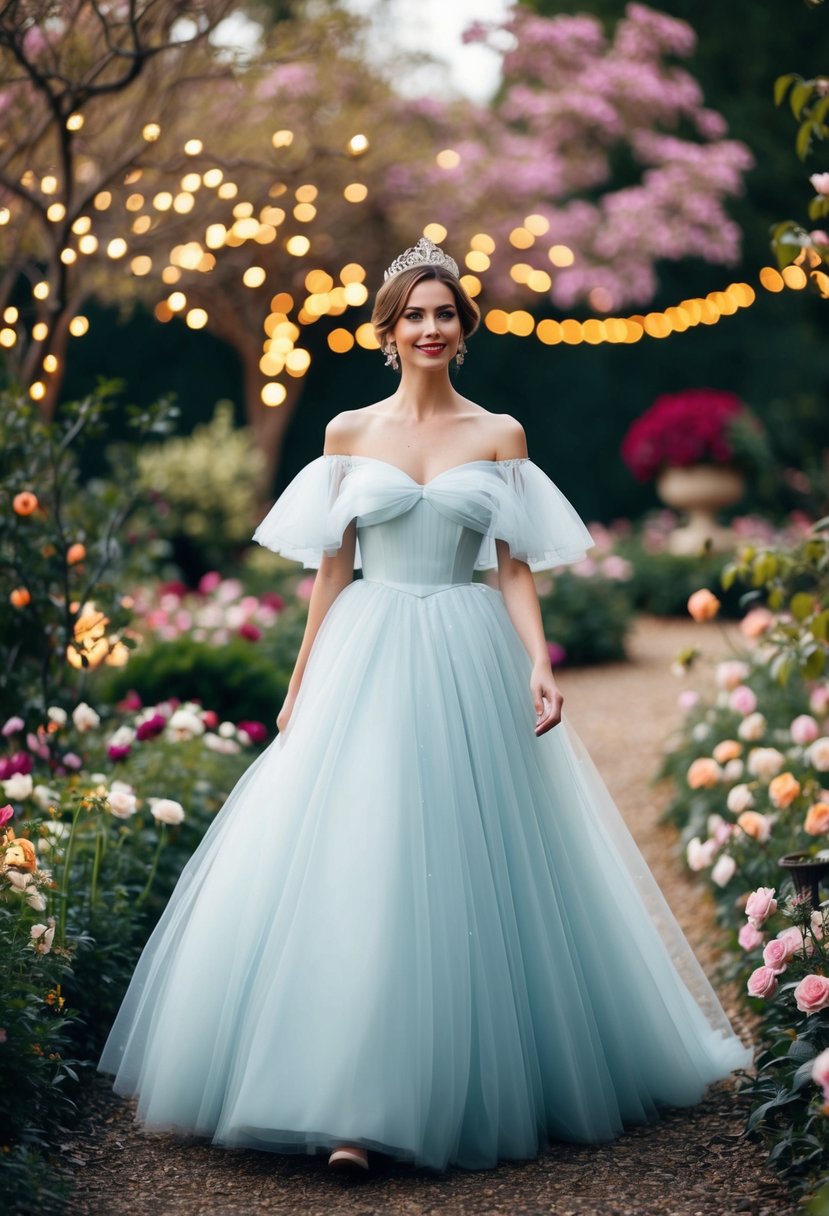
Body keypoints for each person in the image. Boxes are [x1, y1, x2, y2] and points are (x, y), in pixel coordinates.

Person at [99, 237, 751, 1176]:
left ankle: (451, 1081)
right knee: (356, 854)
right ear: (388, 330)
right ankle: (346, 1102)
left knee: (462, 856)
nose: (430, 328)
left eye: (445, 313)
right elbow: (331, 571)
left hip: (464, 647)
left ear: (463, 328)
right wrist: (298, 680)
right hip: (366, 647)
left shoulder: (499, 435)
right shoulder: (346, 435)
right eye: (414, 314)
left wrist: (538, 661)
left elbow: (513, 568)